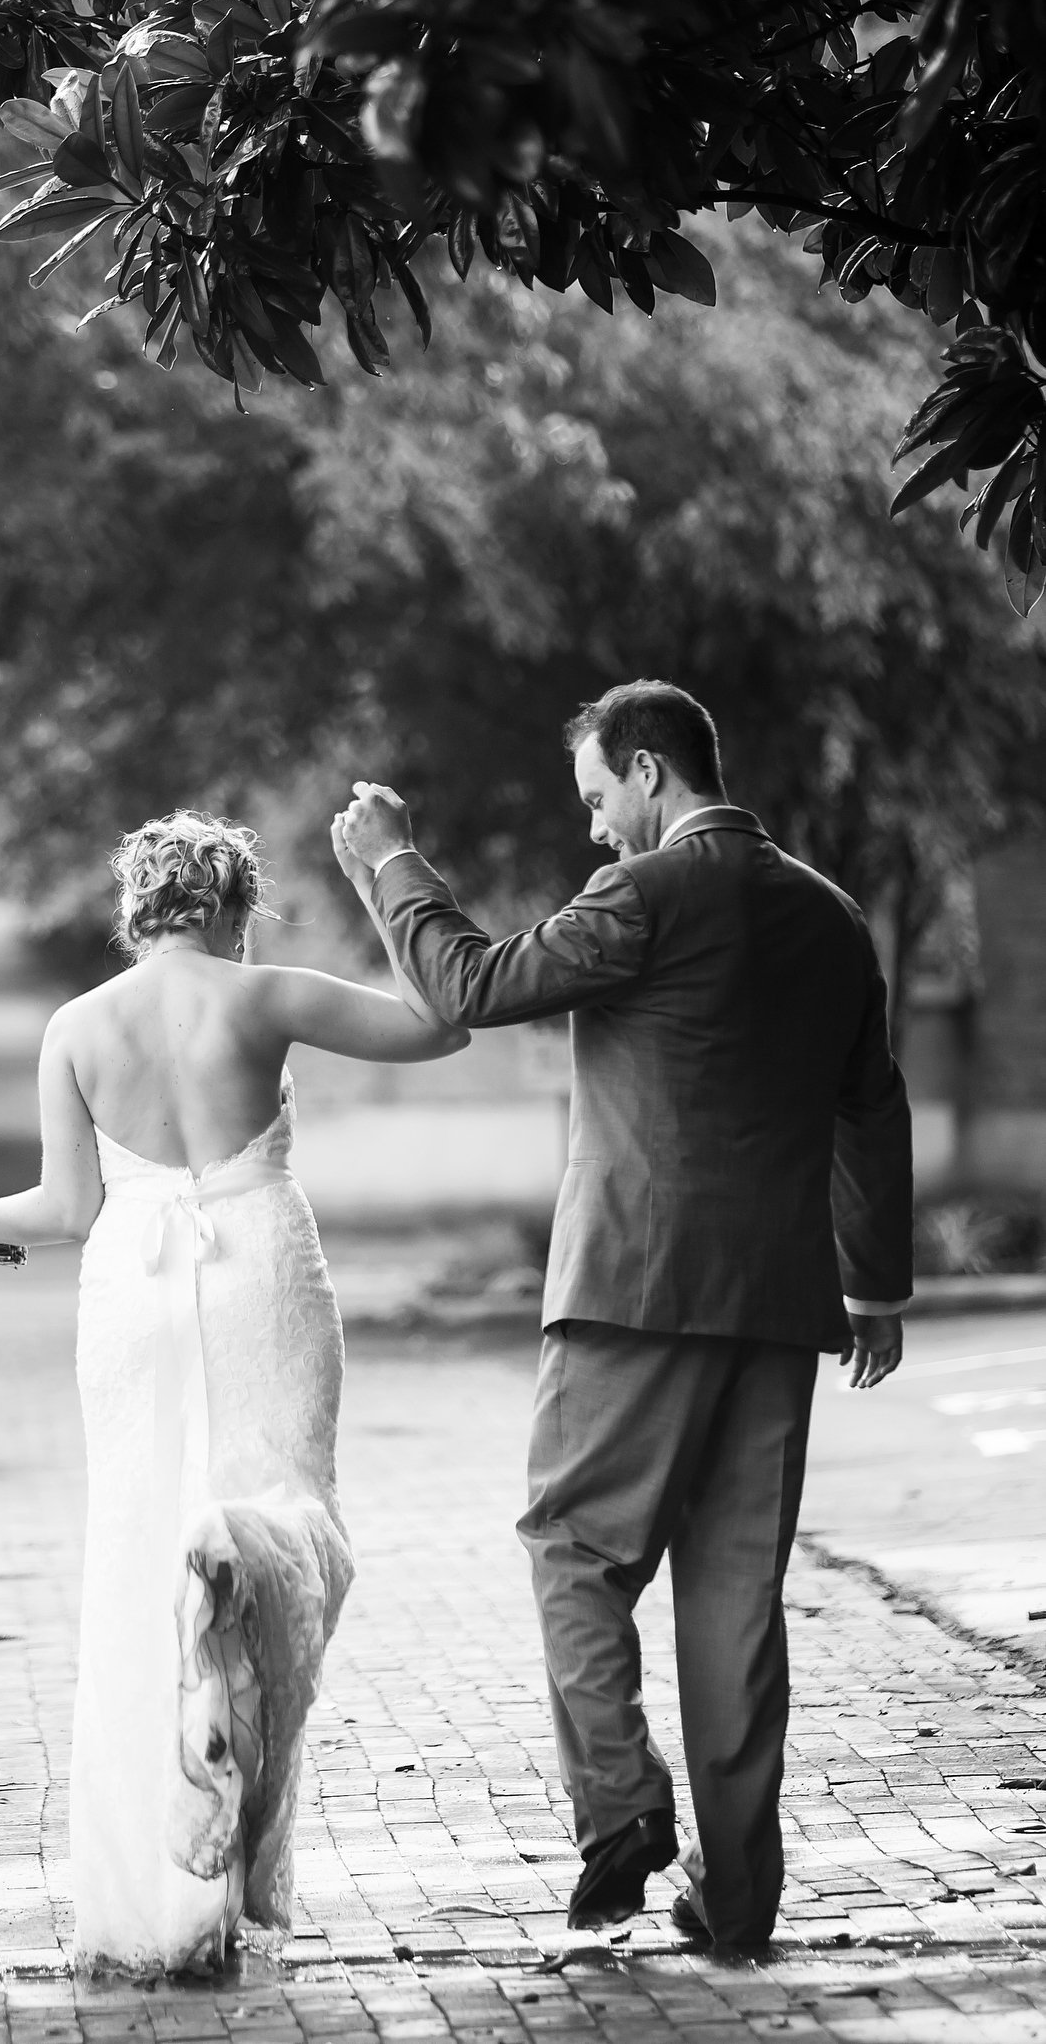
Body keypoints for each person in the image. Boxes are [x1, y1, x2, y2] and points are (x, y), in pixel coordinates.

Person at [337, 680, 912, 1954]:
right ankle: (742, 1903)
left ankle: (622, 1811)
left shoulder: (649, 896)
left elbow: (473, 987)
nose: (597, 828)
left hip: (632, 1296)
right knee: (736, 1599)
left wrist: (394, 866)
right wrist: (874, 1276)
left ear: (650, 771)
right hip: (776, 1308)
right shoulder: (829, 916)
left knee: (574, 1549)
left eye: (600, 797)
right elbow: (872, 1100)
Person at [0, 810, 466, 1971]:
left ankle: (150, 1901)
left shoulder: (76, 1026)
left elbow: (64, 1215)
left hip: (129, 1297)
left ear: (136, 910)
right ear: (228, 907)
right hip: (259, 1266)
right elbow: (444, 1024)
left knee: (129, 1559)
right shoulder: (265, 1000)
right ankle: (240, 1573)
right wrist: (387, 882)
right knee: (290, 1514)